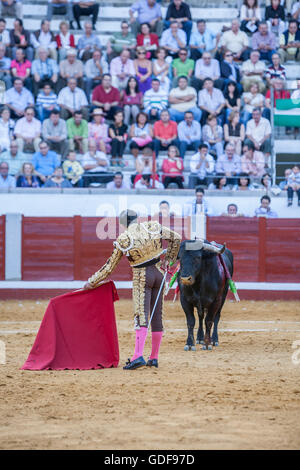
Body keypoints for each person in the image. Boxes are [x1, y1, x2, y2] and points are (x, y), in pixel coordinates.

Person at [84, 209, 182, 368]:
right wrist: (168, 261)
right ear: (137, 219)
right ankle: (154, 358)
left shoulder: (124, 239)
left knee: (141, 315)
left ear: (122, 223)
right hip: (159, 274)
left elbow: (109, 267)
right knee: (157, 316)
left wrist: (92, 282)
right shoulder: (152, 227)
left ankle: (137, 356)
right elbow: (176, 238)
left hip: (142, 276)